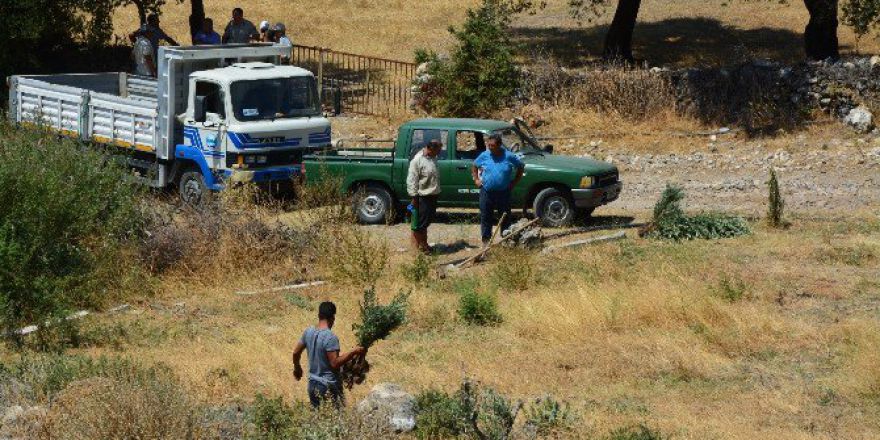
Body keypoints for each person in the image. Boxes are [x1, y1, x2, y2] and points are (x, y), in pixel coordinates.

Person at [292, 302, 366, 408]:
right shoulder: (330, 337)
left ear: (319, 315)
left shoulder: (308, 332)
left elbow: (295, 353)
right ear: (333, 318)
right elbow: (335, 363)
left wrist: (297, 368)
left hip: (312, 385)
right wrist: (353, 352)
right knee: (337, 420)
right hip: (327, 386)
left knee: (319, 420)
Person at [472, 134, 524, 245]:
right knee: (486, 216)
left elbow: (520, 166)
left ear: (499, 145)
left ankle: (506, 240)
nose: (490, 147)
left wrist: (514, 182)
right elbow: (475, 165)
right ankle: (486, 242)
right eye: (488, 145)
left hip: (504, 192)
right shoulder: (485, 155)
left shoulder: (509, 156)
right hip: (486, 191)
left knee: (505, 217)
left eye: (492, 145)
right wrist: (476, 179)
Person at [406, 139, 443, 253]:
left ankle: (424, 244)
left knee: (426, 222)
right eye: (438, 150)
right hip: (423, 197)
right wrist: (414, 198)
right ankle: (418, 247)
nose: (439, 153)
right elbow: (412, 180)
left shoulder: (433, 158)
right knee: (419, 223)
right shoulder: (417, 160)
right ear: (431, 149)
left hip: (432, 195)